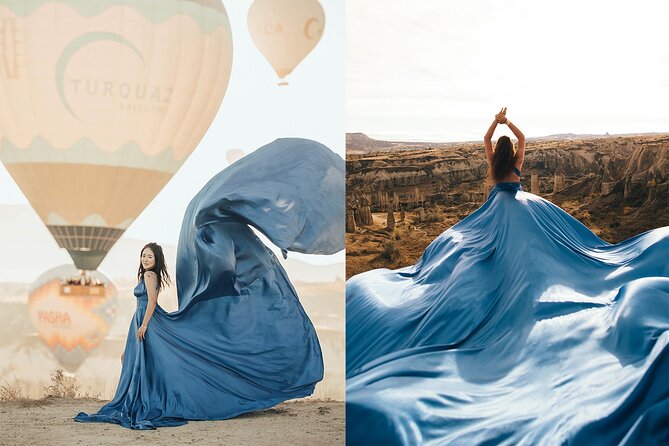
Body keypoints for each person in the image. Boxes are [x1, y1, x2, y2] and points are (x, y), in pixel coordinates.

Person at [345, 110, 669, 445]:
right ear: (511, 152)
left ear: (494, 155)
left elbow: (486, 140)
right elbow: (524, 139)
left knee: (481, 254)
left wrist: (495, 125)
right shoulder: (516, 162)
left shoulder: (495, 165)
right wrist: (509, 124)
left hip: (495, 211)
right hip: (521, 210)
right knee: (533, 258)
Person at [74, 138, 345, 430]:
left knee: (159, 351)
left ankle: (161, 393)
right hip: (146, 319)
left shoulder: (192, 234)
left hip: (144, 319)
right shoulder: (206, 222)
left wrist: (145, 323)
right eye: (144, 256)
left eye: (149, 255)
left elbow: (157, 299)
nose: (145, 259)